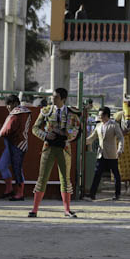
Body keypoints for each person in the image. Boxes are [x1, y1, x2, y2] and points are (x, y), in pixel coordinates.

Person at [29, 88, 81, 218]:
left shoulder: (72, 113)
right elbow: (35, 128)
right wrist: (45, 135)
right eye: (53, 96)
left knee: (65, 179)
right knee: (42, 178)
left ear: (63, 99)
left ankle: (67, 210)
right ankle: (34, 210)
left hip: (64, 148)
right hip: (49, 147)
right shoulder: (46, 111)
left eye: (56, 97)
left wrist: (66, 135)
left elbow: (76, 129)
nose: (53, 99)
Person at [84, 107, 125, 201]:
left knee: (116, 175)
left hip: (111, 154)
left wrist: (120, 149)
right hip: (101, 154)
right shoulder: (98, 126)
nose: (99, 117)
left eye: (100, 115)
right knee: (97, 174)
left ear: (106, 115)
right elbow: (92, 137)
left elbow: (121, 138)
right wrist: (82, 142)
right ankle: (92, 194)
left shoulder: (114, 125)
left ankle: (117, 194)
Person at [0, 95, 32, 201]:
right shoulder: (22, 112)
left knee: (17, 168)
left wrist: (1, 132)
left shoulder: (18, 113)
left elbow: (8, 129)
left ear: (14, 103)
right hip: (13, 143)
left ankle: (20, 194)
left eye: (8, 104)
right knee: (2, 165)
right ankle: (9, 189)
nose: (7, 107)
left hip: (17, 144)